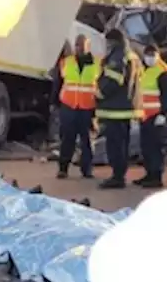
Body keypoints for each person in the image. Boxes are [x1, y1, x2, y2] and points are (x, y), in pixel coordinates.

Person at [94, 28, 138, 189]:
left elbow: (113, 80)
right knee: (121, 144)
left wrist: (99, 92)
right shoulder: (129, 55)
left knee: (115, 145)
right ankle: (119, 175)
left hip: (115, 109)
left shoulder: (117, 56)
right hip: (123, 108)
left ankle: (117, 177)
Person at [54, 35, 98, 179]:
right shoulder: (66, 63)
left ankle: (87, 170)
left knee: (87, 140)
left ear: (88, 46)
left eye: (82, 45)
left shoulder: (97, 64)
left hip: (87, 107)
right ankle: (63, 168)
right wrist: (54, 102)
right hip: (69, 106)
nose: (79, 47)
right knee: (67, 139)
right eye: (77, 45)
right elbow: (58, 83)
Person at [134, 43, 167, 188]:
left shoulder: (163, 72)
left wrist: (163, 113)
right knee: (146, 146)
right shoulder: (143, 69)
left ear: (158, 56)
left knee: (157, 147)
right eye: (148, 55)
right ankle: (149, 173)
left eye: (153, 55)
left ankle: (156, 177)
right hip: (144, 115)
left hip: (157, 116)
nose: (150, 58)